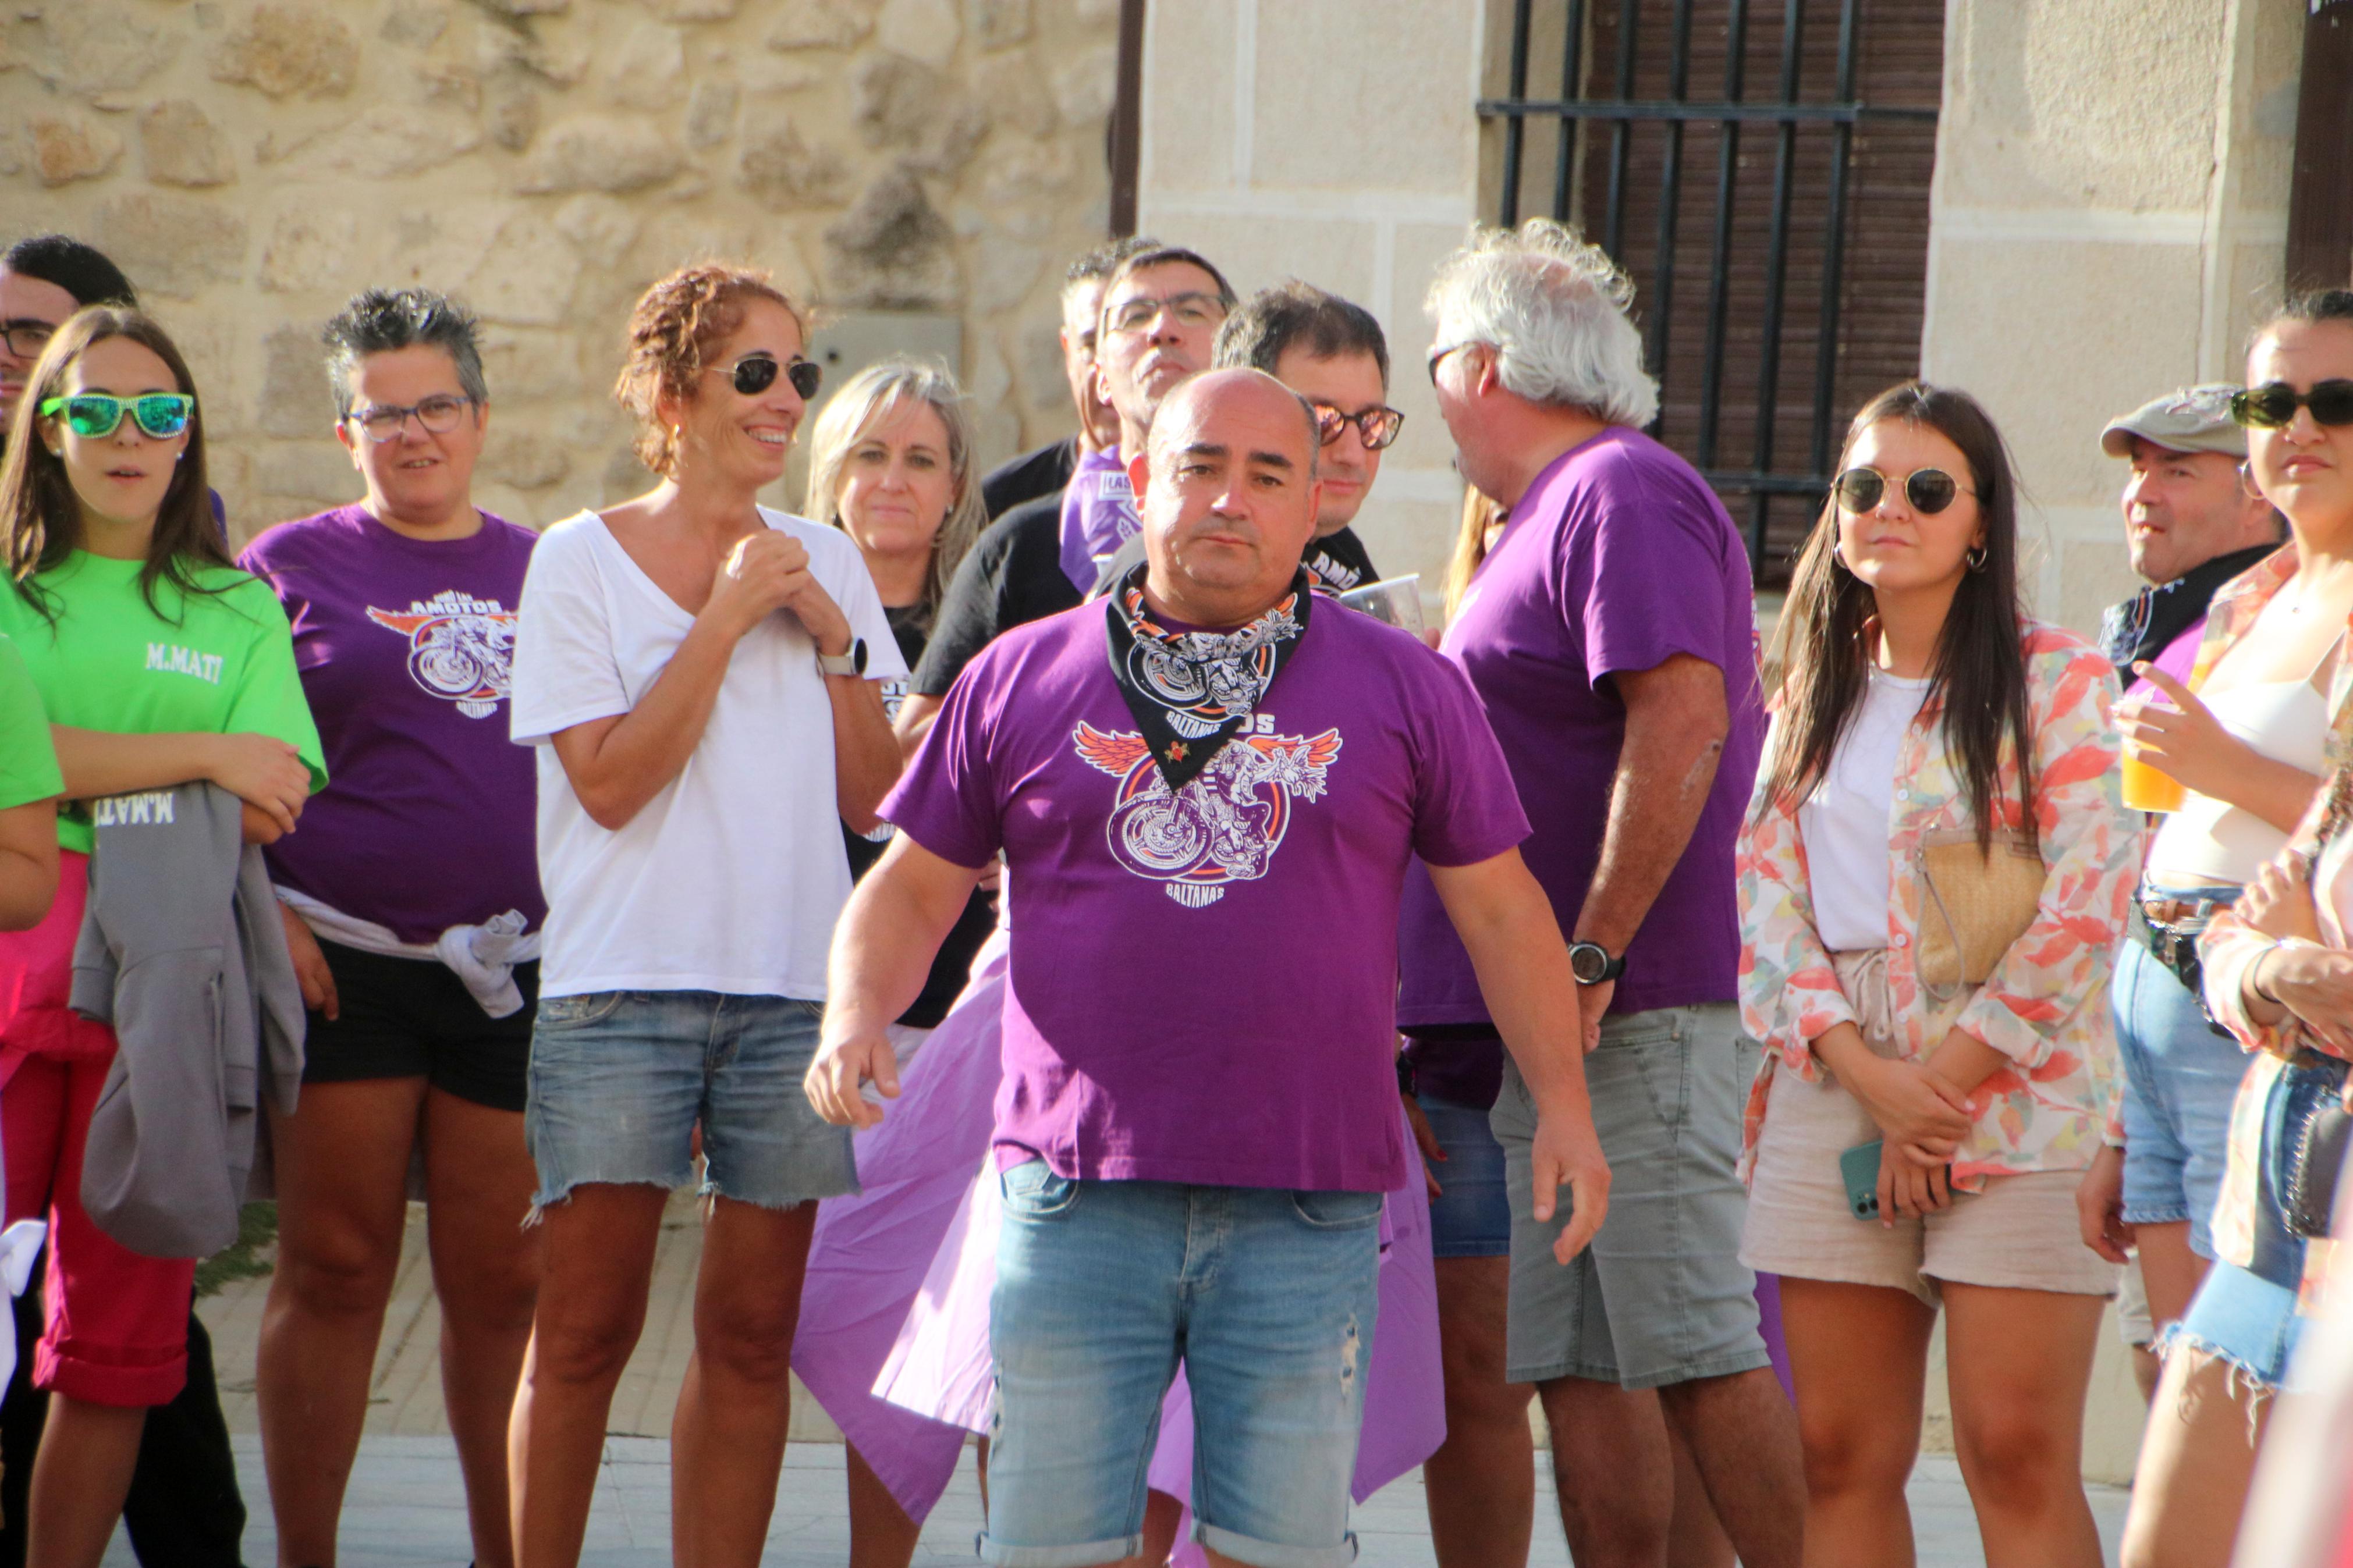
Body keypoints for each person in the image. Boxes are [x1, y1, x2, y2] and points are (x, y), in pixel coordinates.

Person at [808, 365, 1610, 1567]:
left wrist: (1562, 1105)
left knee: (1270, 1553)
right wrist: (853, 1011)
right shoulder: (1022, 674)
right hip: (1072, 1197)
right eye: (1198, 468)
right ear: (1140, 483)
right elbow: (911, 885)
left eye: (1265, 475)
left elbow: (1500, 915)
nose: (1229, 501)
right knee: (1049, 1549)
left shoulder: (1405, 686)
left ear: (1311, 506)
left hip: (1304, 1202)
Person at [1399, 218, 1804, 1568]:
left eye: (1433, 366)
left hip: (1627, 1005)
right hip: (1558, 1020)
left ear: (1478, 366)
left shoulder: (1618, 489)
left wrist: (1588, 955)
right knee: (1583, 1366)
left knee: (1689, 1345)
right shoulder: (1544, 512)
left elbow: (1681, 716)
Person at [504, 261, 904, 1568]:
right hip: (618, 991)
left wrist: (838, 641)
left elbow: (876, 798)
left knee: (749, 1343)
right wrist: (728, 617)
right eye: (756, 372)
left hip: (794, 993)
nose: (788, 397)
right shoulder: (575, 561)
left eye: (802, 371)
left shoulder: (831, 559)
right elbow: (610, 787)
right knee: (583, 1334)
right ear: (673, 394)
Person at [1738, 381, 2136, 1568]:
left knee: (2009, 1451)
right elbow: (1762, 895)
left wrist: (1939, 1092)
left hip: (2019, 1085)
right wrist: (1868, 1077)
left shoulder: (2057, 679)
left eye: (1923, 490)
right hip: (1834, 1080)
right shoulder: (1809, 682)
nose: (1887, 511)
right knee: (1837, 1456)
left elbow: (2087, 894)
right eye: (1862, 488)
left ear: (1978, 522)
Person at [0, 306, 324, 1568]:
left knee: (117, 1349)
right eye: (94, 409)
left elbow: (271, 798)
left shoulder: (239, 607)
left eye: (159, 410)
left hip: (168, 997)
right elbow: (222, 775)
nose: (127, 435)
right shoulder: (12, 603)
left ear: (189, 436)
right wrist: (194, 752)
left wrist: (67, 779)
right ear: (49, 428)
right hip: (18, 979)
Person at [237, 286, 544, 1568]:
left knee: (501, 1292)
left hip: (511, 978)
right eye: (382, 412)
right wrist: (268, 921)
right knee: (337, 1269)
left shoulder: (551, 568)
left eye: (435, 405)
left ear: (477, 418)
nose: (411, 432)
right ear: (343, 431)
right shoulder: (283, 569)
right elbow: (231, 774)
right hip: (338, 965)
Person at [2146, 289, 2353, 1568]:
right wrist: (2260, 961)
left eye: (2332, 402)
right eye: (2269, 402)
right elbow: (2270, 891)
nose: (2296, 426)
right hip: (2241, 1129)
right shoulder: (2255, 588)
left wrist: (2274, 958)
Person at [798, 355, 1000, 1561]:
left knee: (989, 1325)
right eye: (868, 453)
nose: (890, 479)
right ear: (828, 474)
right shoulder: (782, 615)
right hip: (837, 1024)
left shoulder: (987, 630)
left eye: (919, 456)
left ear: (955, 485)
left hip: (975, 1014)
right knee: (865, 1323)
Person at [2074, 386, 2287, 1395]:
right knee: (2167, 1382)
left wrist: (2215, 762)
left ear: (2259, 502)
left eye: (2178, 470)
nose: (2141, 494)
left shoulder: (2292, 620)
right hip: (2150, 1022)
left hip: (2237, 1024)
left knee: (2226, 1387)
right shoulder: (2164, 626)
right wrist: (2122, 1119)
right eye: (2135, 469)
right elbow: (2152, 853)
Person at [902, 245, 1236, 744]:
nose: (1162, 328)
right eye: (1135, 316)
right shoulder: (1018, 541)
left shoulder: (1287, 535)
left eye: (1191, 311)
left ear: (1236, 354)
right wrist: (1054, 700)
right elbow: (911, 745)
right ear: (1098, 372)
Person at [1088, 280, 1396, 597]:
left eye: (1371, 422)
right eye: (1322, 420)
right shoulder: (1163, 573)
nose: (1353, 455)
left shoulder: (1339, 549)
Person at [979, 239, 1158, 520]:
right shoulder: (1001, 503)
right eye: (1091, 343)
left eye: (1129, 337)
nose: (1109, 366)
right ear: (1067, 350)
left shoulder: (1218, 501)